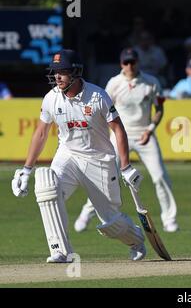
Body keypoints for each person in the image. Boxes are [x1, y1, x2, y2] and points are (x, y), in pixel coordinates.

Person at [11, 49, 146, 263]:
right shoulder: (51, 98)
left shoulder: (97, 96)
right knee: (47, 187)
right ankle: (61, 251)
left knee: (110, 222)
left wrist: (126, 167)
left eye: (62, 71)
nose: (57, 77)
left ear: (75, 71)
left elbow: (118, 129)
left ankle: (135, 239)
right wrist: (26, 169)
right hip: (68, 155)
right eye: (55, 72)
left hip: (99, 160)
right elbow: (41, 132)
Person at [74, 48, 179, 233]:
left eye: (132, 62)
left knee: (161, 176)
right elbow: (102, 110)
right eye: (126, 62)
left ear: (138, 62)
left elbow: (159, 109)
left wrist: (150, 129)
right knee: (105, 176)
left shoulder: (151, 82)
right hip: (120, 135)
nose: (129, 66)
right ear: (121, 63)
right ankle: (87, 212)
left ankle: (169, 219)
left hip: (145, 134)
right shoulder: (114, 83)